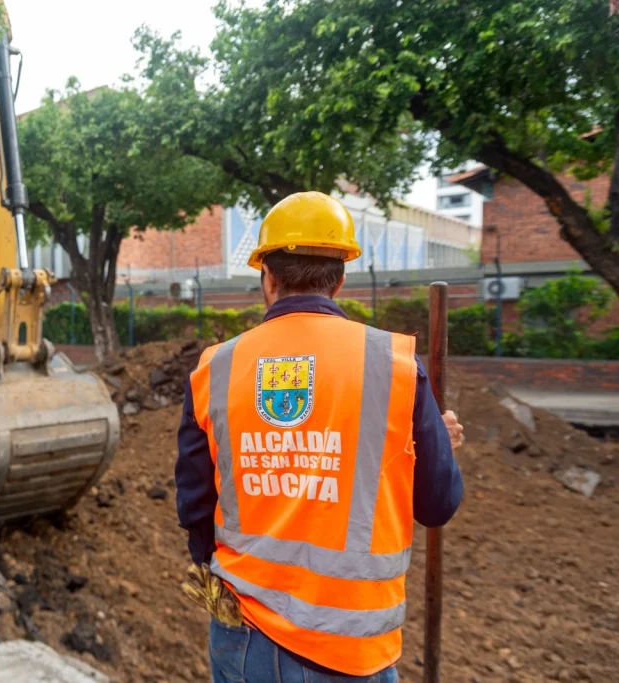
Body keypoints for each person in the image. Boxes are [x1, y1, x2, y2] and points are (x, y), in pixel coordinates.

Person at [175, 192, 465, 682]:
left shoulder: (214, 369)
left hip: (247, 636)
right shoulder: (394, 367)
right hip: (355, 649)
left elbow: (195, 505)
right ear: (342, 279)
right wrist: (431, 446)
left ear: (266, 275)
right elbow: (437, 504)